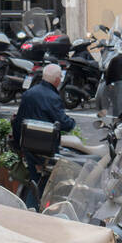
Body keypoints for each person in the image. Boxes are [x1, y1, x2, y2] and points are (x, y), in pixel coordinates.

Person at [14, 63, 75, 207]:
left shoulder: (30, 93)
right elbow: (64, 123)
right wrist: (72, 122)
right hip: (46, 149)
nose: (61, 79)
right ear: (56, 80)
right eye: (60, 76)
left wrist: (18, 145)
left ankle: (32, 209)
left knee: (36, 181)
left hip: (29, 146)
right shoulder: (52, 97)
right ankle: (35, 211)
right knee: (45, 183)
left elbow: (18, 121)